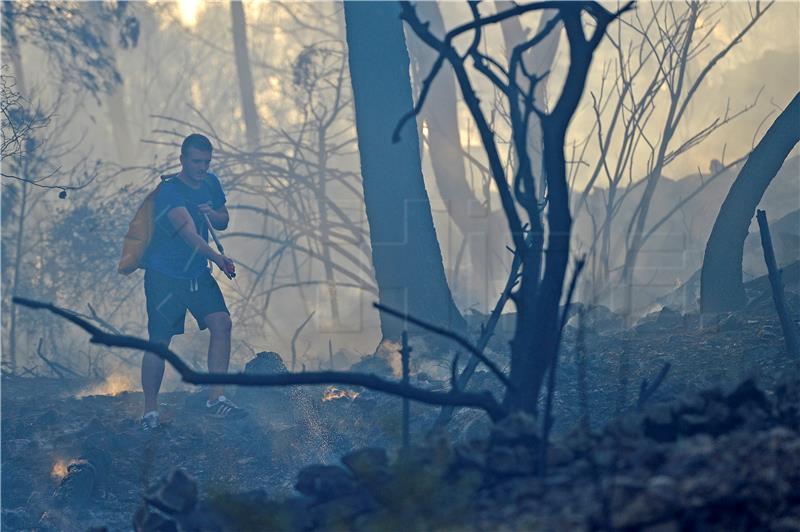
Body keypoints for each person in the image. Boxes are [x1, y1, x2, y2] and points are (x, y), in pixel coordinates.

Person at [140, 133, 245, 430]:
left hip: (196, 274)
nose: (201, 167)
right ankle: (150, 412)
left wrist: (213, 212)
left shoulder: (211, 182)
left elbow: (223, 219)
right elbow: (189, 233)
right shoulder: (169, 192)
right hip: (164, 277)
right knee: (159, 343)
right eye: (196, 161)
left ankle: (216, 399)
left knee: (222, 323)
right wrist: (219, 259)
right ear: (182, 160)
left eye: (206, 161)